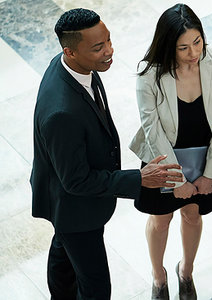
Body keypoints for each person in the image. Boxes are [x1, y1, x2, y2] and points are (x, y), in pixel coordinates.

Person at [30, 8, 183, 300]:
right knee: (97, 287)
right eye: (98, 47)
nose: (109, 51)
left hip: (66, 205)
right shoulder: (62, 113)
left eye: (109, 41)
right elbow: (76, 182)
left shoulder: (71, 67)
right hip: (74, 210)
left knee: (63, 254)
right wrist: (138, 179)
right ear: (71, 51)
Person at [129, 3, 212, 300]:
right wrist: (176, 180)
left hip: (206, 155)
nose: (194, 53)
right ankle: (159, 276)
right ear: (168, 47)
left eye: (198, 42)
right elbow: (152, 131)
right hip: (163, 157)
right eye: (183, 48)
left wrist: (210, 173)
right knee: (160, 219)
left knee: (192, 214)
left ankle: (186, 272)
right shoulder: (149, 73)